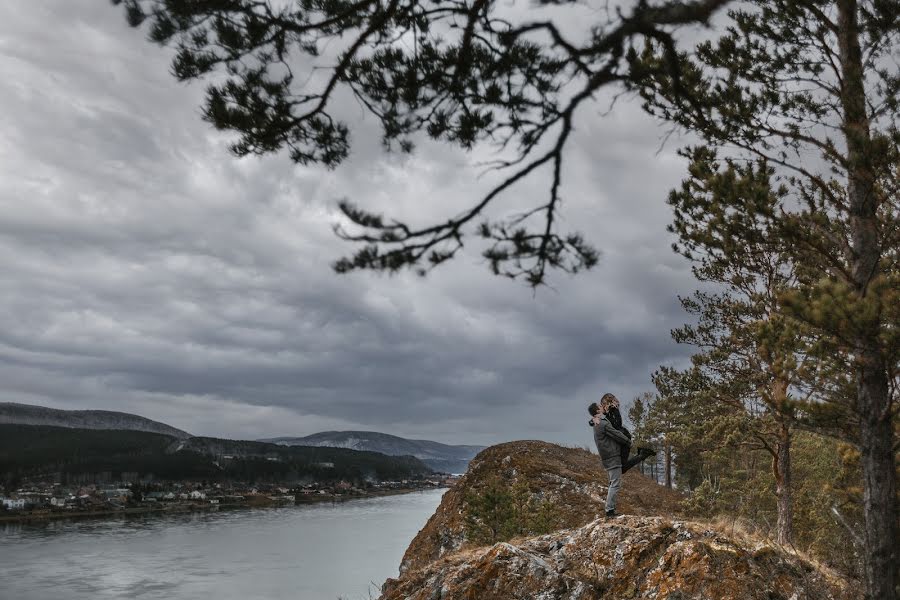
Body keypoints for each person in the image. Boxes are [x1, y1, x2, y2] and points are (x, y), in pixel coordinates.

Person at [589, 394, 656, 518]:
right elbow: (608, 427)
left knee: (619, 474)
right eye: (600, 406)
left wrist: (627, 441)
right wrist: (593, 419)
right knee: (618, 476)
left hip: (622, 442)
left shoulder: (610, 413)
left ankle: (610, 510)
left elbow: (615, 429)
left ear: (606, 403)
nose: (602, 406)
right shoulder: (602, 420)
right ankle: (610, 511)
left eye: (602, 404)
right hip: (616, 449)